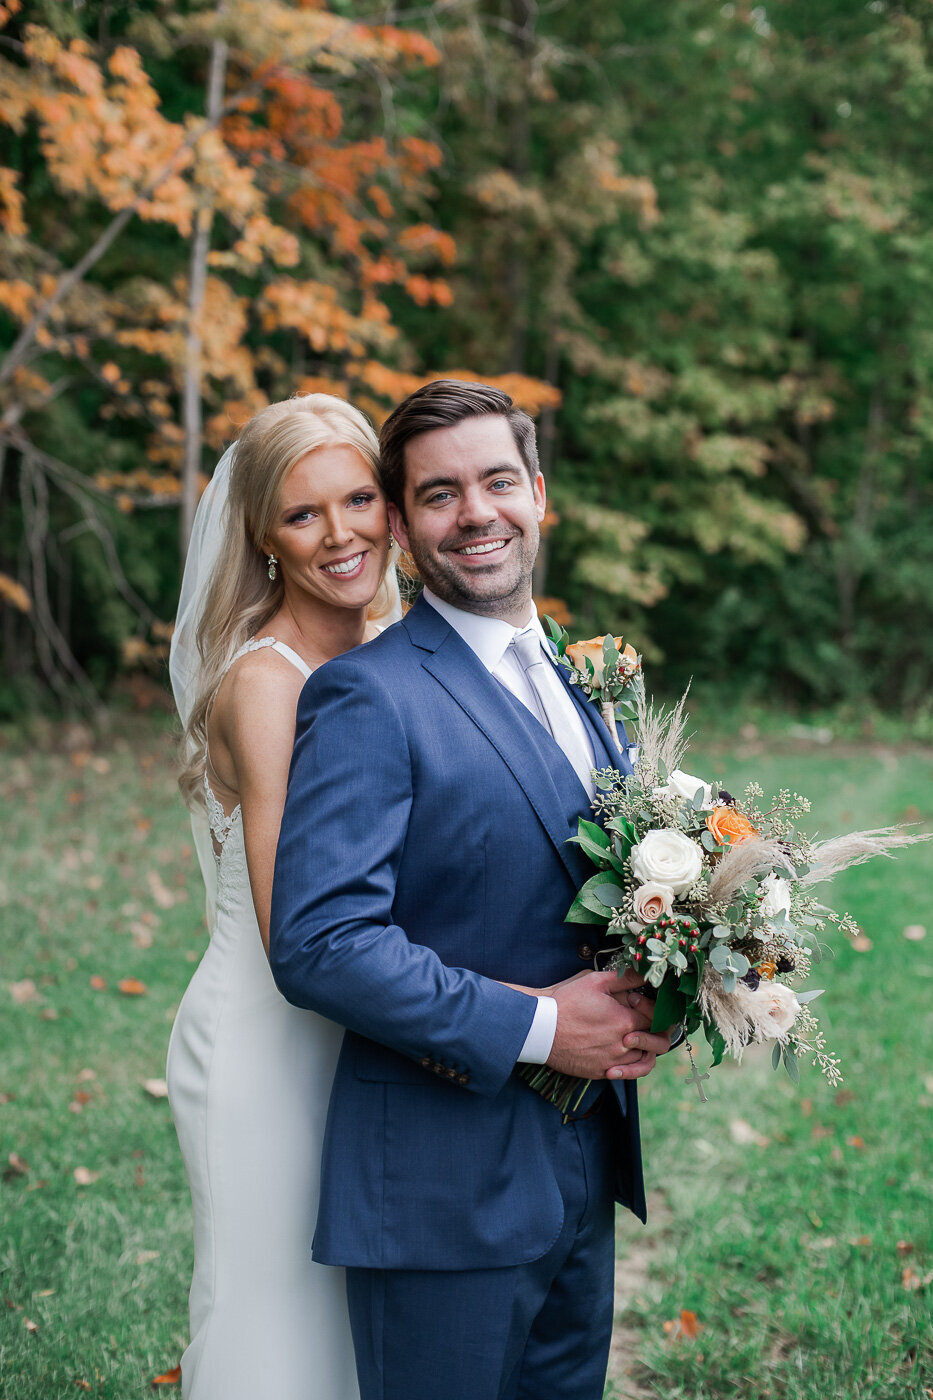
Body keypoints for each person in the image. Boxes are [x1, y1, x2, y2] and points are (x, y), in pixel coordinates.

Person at [269, 379, 676, 1400]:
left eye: (498, 481)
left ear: (538, 494)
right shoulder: (368, 693)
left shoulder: (587, 677)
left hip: (582, 1159)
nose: (477, 512)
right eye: (441, 494)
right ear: (402, 526)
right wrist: (542, 1028)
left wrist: (666, 979)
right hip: (443, 1184)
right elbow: (321, 940)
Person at [166, 393, 402, 1400]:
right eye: (305, 514)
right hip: (271, 1036)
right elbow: (293, 923)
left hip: (368, 1026)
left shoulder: (392, 642)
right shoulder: (267, 682)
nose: (342, 532)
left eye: (360, 498)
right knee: (273, 1321)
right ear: (262, 533)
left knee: (358, 1321)